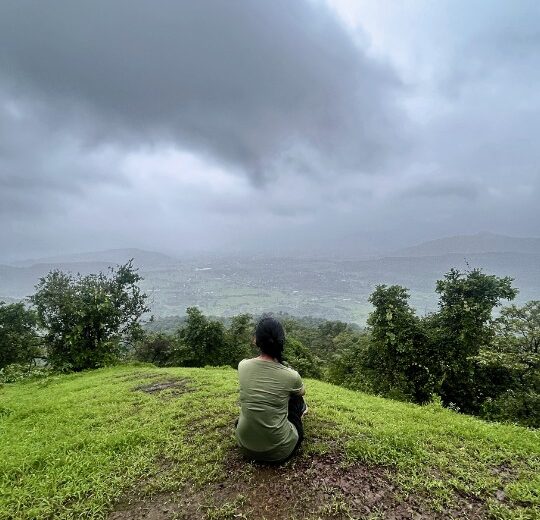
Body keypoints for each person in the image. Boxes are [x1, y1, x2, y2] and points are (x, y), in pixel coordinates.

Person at [235, 316, 308, 463]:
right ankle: (303, 412)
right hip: (280, 450)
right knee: (296, 399)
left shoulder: (242, 366)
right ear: (281, 342)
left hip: (244, 446)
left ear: (256, 340)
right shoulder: (291, 376)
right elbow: (301, 392)